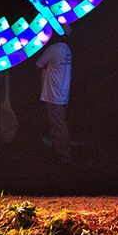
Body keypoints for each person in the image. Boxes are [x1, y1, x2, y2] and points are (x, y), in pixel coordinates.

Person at [33, 31, 72, 163]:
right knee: (58, 124)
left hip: (53, 95)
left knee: (58, 126)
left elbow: (38, 64)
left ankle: (64, 157)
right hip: (62, 93)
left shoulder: (53, 49)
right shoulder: (66, 49)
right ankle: (58, 150)